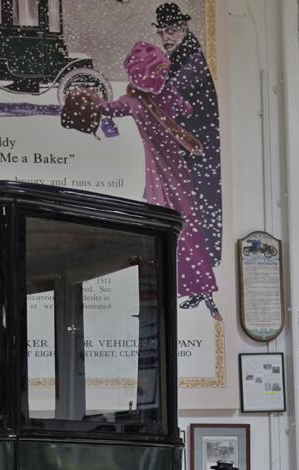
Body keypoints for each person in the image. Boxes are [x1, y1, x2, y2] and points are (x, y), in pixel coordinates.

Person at [96, 42, 222, 323]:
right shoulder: (159, 96)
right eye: (160, 69)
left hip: (165, 173)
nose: (163, 75)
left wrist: (91, 100)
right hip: (171, 172)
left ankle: (194, 289)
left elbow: (109, 108)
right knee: (181, 227)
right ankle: (194, 290)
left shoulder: (136, 100)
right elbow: (186, 108)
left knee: (176, 228)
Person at [155, 3, 222, 268]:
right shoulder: (180, 56)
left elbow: (169, 95)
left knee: (201, 212)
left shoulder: (190, 60)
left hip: (200, 154)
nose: (166, 37)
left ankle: (202, 268)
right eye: (162, 32)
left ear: (184, 28)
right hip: (193, 151)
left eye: (171, 30)